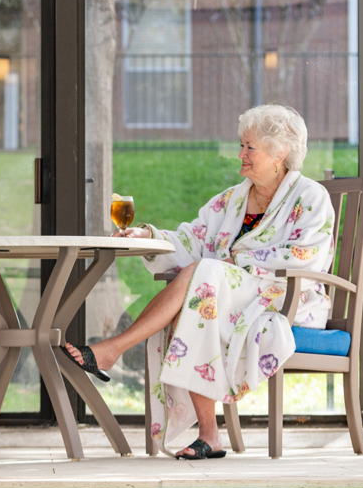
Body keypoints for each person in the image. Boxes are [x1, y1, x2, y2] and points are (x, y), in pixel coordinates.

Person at [63, 104, 335, 460]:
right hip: (225, 293)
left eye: (250, 147)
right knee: (199, 293)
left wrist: (232, 263)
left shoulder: (311, 197)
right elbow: (192, 240)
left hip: (284, 298)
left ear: (279, 152)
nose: (241, 154)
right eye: (242, 145)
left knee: (203, 276)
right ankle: (210, 436)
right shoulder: (232, 200)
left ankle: (113, 349)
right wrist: (149, 235)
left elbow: (305, 256)